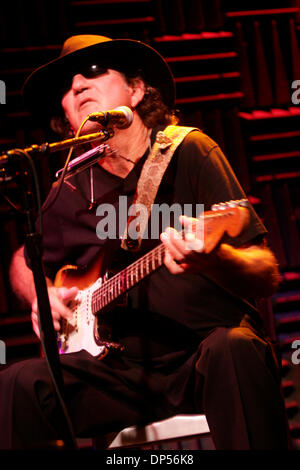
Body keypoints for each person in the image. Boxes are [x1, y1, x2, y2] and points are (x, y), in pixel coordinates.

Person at [0, 35, 289, 450]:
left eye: (96, 72)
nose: (78, 83)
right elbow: (21, 260)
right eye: (67, 84)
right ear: (64, 117)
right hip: (121, 370)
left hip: (202, 354)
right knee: (15, 385)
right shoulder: (71, 186)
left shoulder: (190, 150)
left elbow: (266, 272)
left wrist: (216, 259)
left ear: (136, 92)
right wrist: (41, 292)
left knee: (236, 347)